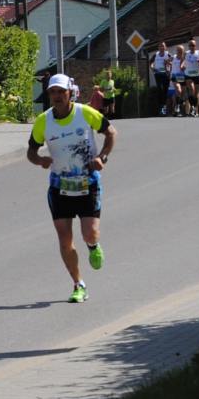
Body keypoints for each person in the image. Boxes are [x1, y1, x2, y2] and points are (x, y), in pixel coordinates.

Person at [26, 74, 117, 303]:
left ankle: (93, 245)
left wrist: (102, 157)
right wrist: (40, 160)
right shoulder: (43, 121)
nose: (57, 96)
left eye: (61, 92)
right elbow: (31, 151)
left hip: (88, 183)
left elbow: (111, 132)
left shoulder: (85, 113)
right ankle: (78, 284)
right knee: (65, 239)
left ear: (70, 93)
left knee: (89, 233)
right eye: (53, 92)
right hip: (60, 187)